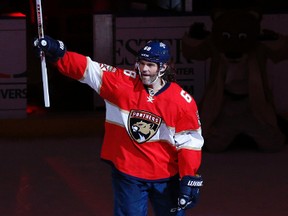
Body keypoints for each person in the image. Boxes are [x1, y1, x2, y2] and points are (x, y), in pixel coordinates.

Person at [34, 36, 204, 216]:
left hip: (166, 177)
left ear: (163, 67)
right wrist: (58, 53)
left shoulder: (182, 102)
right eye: (142, 63)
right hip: (128, 174)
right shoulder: (122, 84)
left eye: (151, 65)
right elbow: (89, 69)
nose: (144, 69)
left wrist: (188, 177)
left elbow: (190, 144)